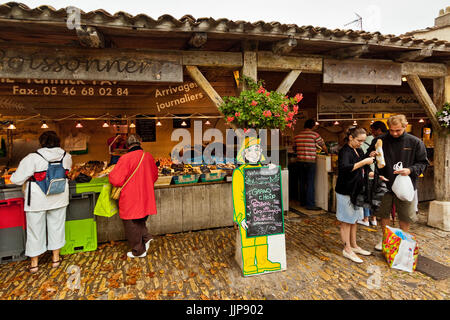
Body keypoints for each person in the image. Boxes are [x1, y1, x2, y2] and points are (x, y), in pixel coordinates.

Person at [10, 131, 72, 273]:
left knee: (35, 230)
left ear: (42, 142)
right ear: (58, 142)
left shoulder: (33, 158)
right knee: (57, 227)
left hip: (37, 200)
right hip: (59, 198)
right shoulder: (66, 156)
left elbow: (16, 179)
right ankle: (55, 259)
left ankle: (34, 264)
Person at [368, 115, 428, 251]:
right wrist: (371, 156)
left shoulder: (415, 142)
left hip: (405, 185)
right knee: (383, 213)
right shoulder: (379, 140)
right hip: (384, 182)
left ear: (405, 126)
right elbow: (368, 158)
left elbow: (423, 163)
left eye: (398, 130)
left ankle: (404, 241)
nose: (394, 133)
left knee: (405, 215)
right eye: (392, 130)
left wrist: (410, 170)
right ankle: (386, 240)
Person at [109, 134, 158, 258]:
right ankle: (146, 238)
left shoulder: (125, 158)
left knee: (131, 224)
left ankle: (139, 250)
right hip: (146, 195)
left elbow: (116, 180)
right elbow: (154, 176)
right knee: (140, 220)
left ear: (127, 145)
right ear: (140, 143)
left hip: (130, 196)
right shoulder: (148, 156)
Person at [335, 127, 374, 263]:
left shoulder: (359, 149)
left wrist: (369, 159)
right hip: (346, 190)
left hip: (356, 189)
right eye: (359, 140)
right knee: (346, 220)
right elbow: (345, 168)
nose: (361, 143)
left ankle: (354, 245)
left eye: (363, 141)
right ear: (351, 137)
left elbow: (363, 166)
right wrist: (364, 162)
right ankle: (347, 249)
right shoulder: (344, 151)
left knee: (354, 219)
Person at [358, 121, 388, 226]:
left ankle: (367, 219)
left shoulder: (375, 140)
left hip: (374, 173)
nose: (372, 132)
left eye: (373, 130)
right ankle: (374, 219)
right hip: (381, 174)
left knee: (368, 196)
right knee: (375, 196)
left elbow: (365, 157)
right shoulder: (376, 140)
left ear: (378, 130)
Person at [294, 119, 328, 210]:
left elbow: (294, 148)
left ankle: (302, 202)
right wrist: (327, 153)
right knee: (310, 183)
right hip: (311, 162)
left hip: (300, 161)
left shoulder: (297, 136)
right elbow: (323, 146)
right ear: (313, 126)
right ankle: (310, 205)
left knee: (302, 182)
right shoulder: (315, 135)